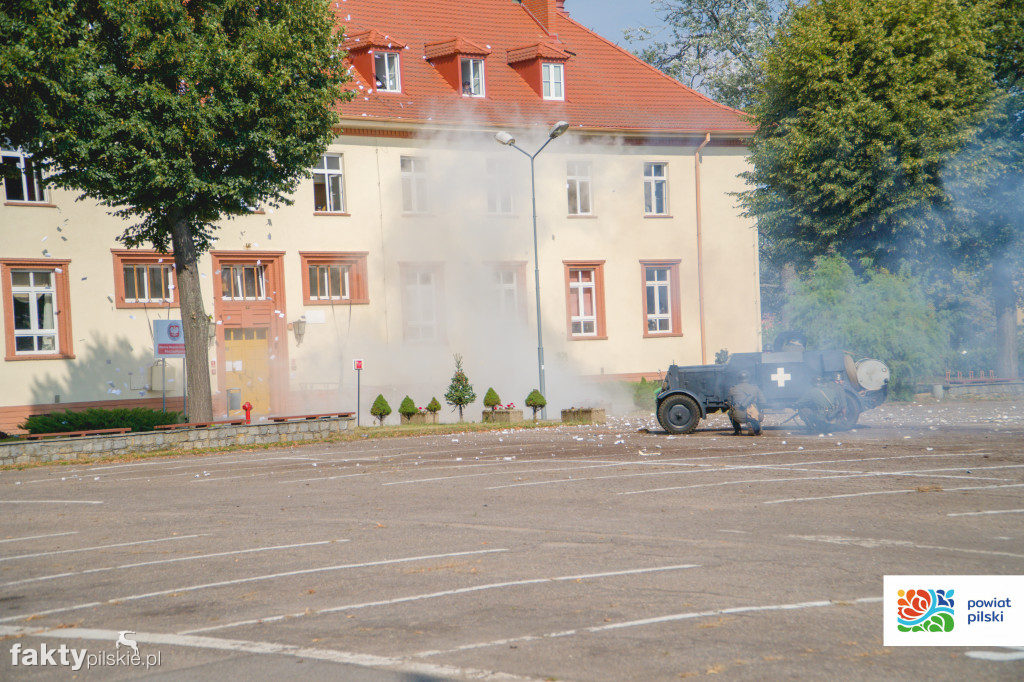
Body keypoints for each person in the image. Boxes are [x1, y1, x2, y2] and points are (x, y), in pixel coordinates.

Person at [727, 370, 767, 435]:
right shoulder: (755, 388)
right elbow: (763, 401)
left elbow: (729, 403)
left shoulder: (733, 389)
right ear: (749, 378)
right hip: (752, 415)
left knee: (730, 412)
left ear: (738, 379)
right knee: (756, 411)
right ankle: (757, 429)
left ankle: (738, 431)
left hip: (738, 417)